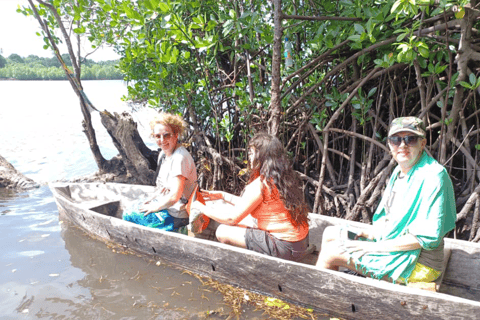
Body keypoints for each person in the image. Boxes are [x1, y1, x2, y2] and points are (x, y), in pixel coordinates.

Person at [316, 117, 457, 284]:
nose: (402, 145)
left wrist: (371, 247)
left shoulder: (434, 176)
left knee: (331, 252)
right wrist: (371, 234)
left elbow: (423, 239)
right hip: (389, 246)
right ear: (390, 144)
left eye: (410, 139)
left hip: (416, 262)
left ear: (423, 143)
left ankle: (317, 304)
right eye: (396, 140)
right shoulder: (400, 171)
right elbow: (392, 221)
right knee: (331, 233)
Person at [191, 132, 310, 262]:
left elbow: (232, 219)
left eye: (252, 153)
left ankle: (235, 265)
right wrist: (222, 195)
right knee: (244, 221)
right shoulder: (284, 179)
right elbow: (248, 204)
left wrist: (200, 207)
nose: (249, 157)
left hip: (285, 248)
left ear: (262, 157)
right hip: (301, 244)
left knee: (222, 231)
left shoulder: (261, 184)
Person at [123, 112, 197, 232]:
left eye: (167, 135)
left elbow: (175, 196)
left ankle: (176, 231)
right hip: (166, 205)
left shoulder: (179, 158)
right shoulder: (163, 154)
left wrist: (155, 207)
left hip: (177, 214)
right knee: (132, 207)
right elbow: (163, 186)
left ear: (176, 135)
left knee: (128, 215)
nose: (162, 140)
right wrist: (153, 198)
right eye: (158, 136)